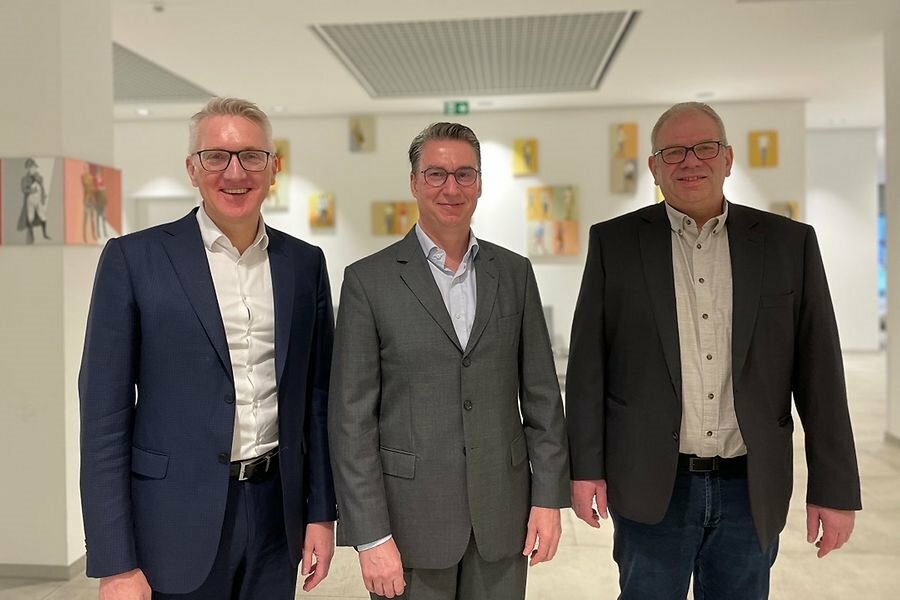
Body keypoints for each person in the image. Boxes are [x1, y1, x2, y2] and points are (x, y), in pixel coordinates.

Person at [566, 101, 862, 599]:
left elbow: (821, 376)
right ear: (654, 167)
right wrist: (585, 469)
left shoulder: (787, 244)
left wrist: (834, 489)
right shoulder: (614, 244)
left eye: (704, 148)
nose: (690, 161)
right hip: (652, 484)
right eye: (673, 152)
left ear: (727, 158)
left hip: (750, 487)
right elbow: (588, 369)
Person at [79, 97, 336, 599]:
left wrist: (322, 513)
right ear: (192, 169)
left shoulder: (304, 264)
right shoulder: (134, 259)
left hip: (276, 517)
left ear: (274, 168)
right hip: (171, 520)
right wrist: (115, 562)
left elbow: (317, 401)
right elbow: (104, 419)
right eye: (216, 156)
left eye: (252, 156)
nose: (234, 172)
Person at [329, 122, 570, 600]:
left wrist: (547, 499)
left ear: (479, 184)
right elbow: (351, 421)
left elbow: (542, 398)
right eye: (436, 174)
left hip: (502, 516)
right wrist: (370, 535)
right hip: (409, 523)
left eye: (464, 174)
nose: (451, 188)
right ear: (414, 183)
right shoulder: (368, 281)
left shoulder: (515, 273)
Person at [17, 158, 50, 243]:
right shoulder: (24, 179)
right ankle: (31, 235)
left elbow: (42, 188)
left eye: (34, 167)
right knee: (30, 218)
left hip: (38, 200)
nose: (32, 169)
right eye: (31, 167)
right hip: (30, 201)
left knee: (43, 217)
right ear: (27, 168)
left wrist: (43, 196)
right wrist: (32, 190)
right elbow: (24, 190)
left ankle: (45, 234)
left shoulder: (40, 177)